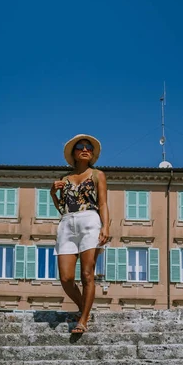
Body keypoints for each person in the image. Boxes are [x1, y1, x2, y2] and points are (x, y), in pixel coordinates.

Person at [50, 134, 109, 333]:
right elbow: (61, 207)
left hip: (90, 220)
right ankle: (84, 307)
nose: (85, 149)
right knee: (66, 278)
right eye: (80, 147)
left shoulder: (97, 175)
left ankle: (83, 320)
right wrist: (52, 193)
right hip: (67, 222)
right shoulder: (64, 179)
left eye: (89, 147)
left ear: (92, 154)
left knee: (87, 274)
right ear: (74, 153)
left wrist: (106, 226)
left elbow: (102, 203)